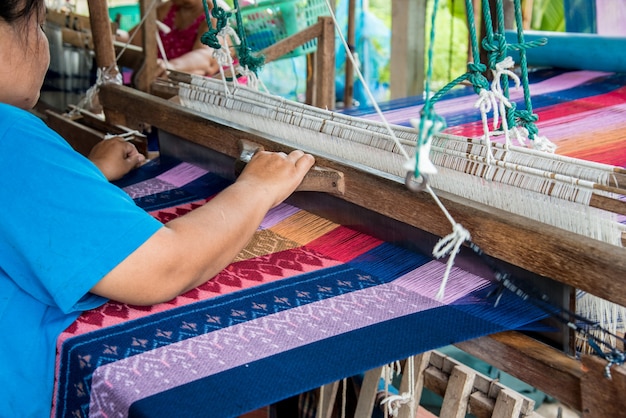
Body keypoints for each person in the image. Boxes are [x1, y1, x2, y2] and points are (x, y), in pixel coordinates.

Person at [0, 0, 315, 416]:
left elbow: (26, 210)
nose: (44, 43)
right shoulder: (12, 139)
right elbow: (162, 266)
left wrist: (87, 174)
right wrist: (257, 188)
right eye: (39, 24)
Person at [117, 0, 227, 78]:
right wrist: (114, 38)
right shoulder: (168, 8)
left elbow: (208, 58)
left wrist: (170, 66)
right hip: (159, 78)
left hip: (198, 91)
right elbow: (133, 38)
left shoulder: (213, 17)